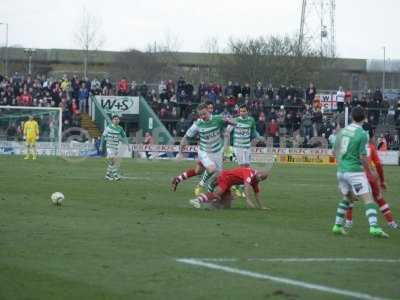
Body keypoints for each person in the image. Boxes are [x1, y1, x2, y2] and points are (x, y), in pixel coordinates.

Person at [332, 107, 388, 237]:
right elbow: (363, 157)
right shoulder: (362, 134)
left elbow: (335, 152)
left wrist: (342, 165)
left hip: (341, 171)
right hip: (354, 171)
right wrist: (370, 171)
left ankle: (337, 226)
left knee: (348, 197)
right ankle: (374, 227)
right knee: (368, 199)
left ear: (351, 117)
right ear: (364, 118)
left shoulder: (342, 131)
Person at [171, 103, 234, 192]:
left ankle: (177, 179)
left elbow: (231, 124)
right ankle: (201, 186)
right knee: (211, 169)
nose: (202, 116)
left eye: (204, 113)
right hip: (204, 151)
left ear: (209, 110)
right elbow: (185, 137)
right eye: (200, 115)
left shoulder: (218, 119)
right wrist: (180, 153)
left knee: (204, 173)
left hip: (216, 152)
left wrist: (233, 122)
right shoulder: (198, 124)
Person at [345, 124, 398, 229]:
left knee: (350, 199)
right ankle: (391, 223)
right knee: (378, 198)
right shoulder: (371, 147)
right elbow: (378, 165)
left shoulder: (353, 145)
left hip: (355, 175)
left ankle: (348, 222)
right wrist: (382, 181)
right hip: (369, 177)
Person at [189, 166, 269, 209]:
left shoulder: (255, 180)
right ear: (258, 173)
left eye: (262, 179)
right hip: (225, 178)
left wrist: (262, 206)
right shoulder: (250, 173)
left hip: (229, 183)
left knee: (227, 206)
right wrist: (248, 199)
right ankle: (196, 200)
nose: (260, 180)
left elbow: (257, 193)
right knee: (217, 194)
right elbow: (246, 186)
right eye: (260, 177)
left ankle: (211, 205)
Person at [100, 115, 128, 181]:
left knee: (112, 162)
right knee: (114, 160)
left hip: (115, 147)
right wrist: (101, 145)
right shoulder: (108, 127)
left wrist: (127, 143)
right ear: (112, 120)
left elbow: (123, 137)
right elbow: (103, 136)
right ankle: (115, 175)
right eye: (115, 119)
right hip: (109, 146)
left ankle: (107, 175)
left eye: (117, 119)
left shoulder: (120, 128)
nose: (116, 120)